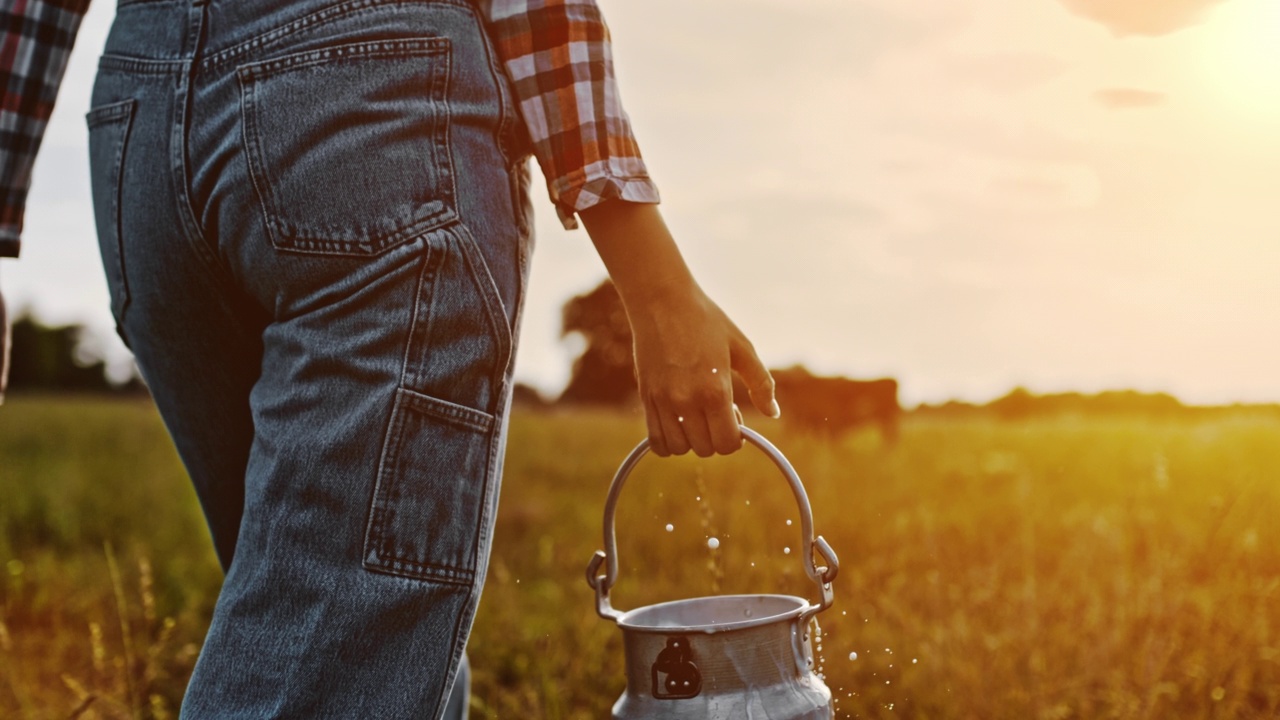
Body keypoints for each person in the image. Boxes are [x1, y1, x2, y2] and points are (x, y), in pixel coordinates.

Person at [0, 0, 779, 716]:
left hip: (140, 122)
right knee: (329, 649)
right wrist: (655, 285)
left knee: (357, 632)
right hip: (369, 97)